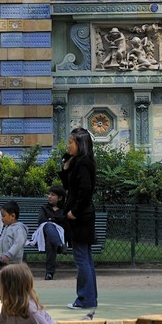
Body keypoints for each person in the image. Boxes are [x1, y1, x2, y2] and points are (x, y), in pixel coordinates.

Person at [62, 125, 98, 311]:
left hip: (81, 217)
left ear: (80, 144)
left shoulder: (83, 163)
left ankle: (84, 299)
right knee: (86, 258)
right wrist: (66, 166)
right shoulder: (79, 162)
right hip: (83, 216)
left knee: (82, 258)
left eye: (71, 142)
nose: (68, 146)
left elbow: (85, 190)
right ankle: (89, 299)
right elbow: (69, 186)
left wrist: (74, 211)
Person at [0, 201, 28, 293]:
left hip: (12, 261)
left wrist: (9, 254)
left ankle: (11, 293)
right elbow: (5, 240)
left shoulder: (18, 228)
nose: (2, 219)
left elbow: (18, 243)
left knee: (11, 279)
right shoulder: (7, 227)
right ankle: (1, 291)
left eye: (3, 216)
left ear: (12, 216)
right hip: (2, 259)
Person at [34, 185, 67, 279]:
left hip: (59, 235)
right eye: (49, 194)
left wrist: (51, 219)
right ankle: (60, 246)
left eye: (53, 195)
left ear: (60, 198)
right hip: (42, 236)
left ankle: (49, 273)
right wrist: (54, 221)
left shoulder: (64, 209)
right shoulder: (44, 208)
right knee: (48, 225)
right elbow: (41, 221)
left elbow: (64, 222)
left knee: (50, 240)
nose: (49, 196)